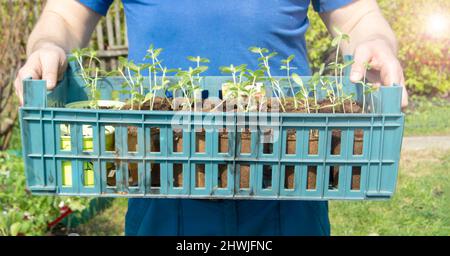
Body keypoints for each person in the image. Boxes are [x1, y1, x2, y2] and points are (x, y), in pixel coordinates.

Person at [14, 0, 408, 236]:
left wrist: (377, 42)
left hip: (288, 174)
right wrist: (48, 45)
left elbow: (358, 17)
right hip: (162, 175)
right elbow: (64, 16)